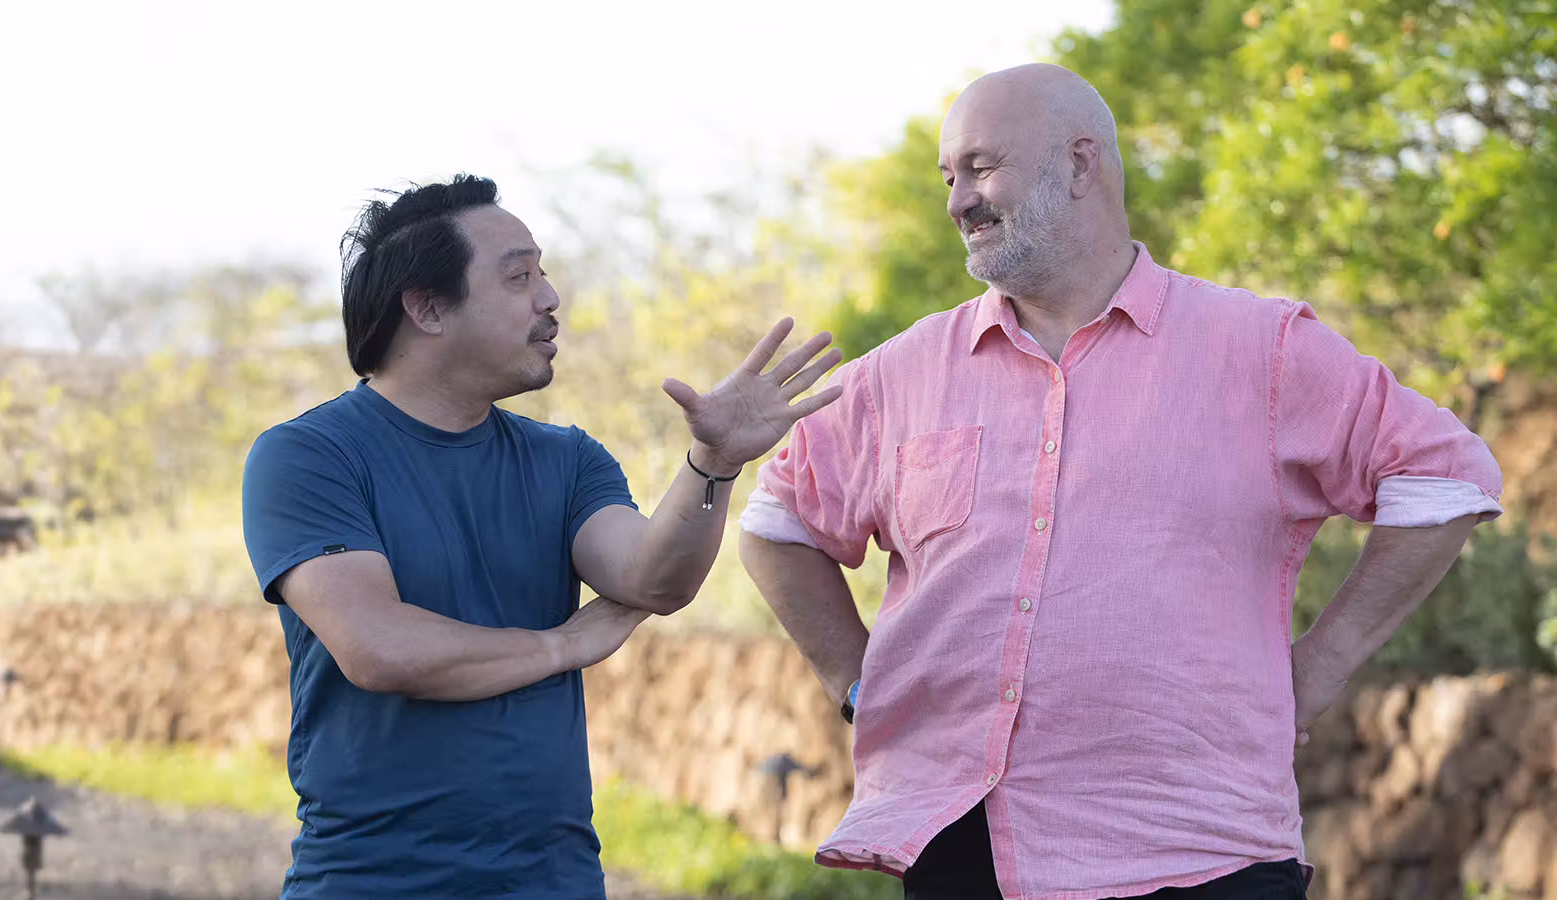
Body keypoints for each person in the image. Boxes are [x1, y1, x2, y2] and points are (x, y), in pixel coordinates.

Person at [737, 63, 1504, 900]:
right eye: (948, 176)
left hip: (1202, 851)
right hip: (963, 846)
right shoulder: (901, 373)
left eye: (981, 167)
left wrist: (1323, 665)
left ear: (1080, 164)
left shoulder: (1262, 349)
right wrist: (857, 685)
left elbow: (1445, 475)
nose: (958, 201)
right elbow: (779, 523)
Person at [240, 174, 842, 899]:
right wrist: (563, 645)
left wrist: (713, 462)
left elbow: (652, 580)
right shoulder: (308, 456)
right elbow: (380, 647)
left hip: (555, 879)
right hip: (371, 881)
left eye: (542, 274)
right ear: (427, 308)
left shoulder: (567, 459)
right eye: (518, 277)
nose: (550, 298)